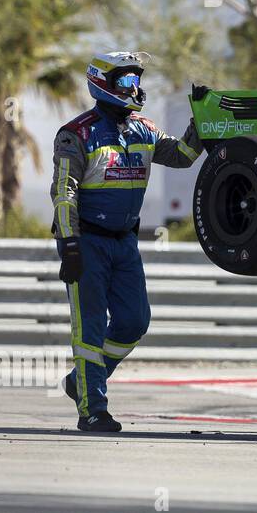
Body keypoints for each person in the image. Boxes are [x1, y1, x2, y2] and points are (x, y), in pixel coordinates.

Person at [51, 51, 201, 432]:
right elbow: (64, 194)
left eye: (137, 80)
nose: (135, 89)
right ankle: (92, 409)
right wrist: (69, 245)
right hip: (86, 241)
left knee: (135, 322)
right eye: (126, 81)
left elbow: (183, 156)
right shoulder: (76, 134)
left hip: (125, 242)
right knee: (89, 328)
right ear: (102, 83)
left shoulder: (145, 129)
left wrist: (202, 120)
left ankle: (80, 379)